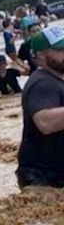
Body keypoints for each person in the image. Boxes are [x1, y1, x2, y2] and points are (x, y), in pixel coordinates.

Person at [16, 26, 64, 188]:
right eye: (60, 49)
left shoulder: (57, 78)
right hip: (42, 178)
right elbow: (46, 123)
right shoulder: (42, 83)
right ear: (42, 56)